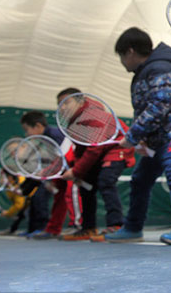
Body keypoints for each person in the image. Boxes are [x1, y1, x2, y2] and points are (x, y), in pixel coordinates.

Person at [105, 27, 171, 245]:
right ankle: (132, 228)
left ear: (130, 51)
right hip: (158, 139)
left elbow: (158, 107)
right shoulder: (145, 73)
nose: (122, 62)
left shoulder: (160, 67)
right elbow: (146, 110)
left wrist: (131, 136)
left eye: (121, 56)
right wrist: (142, 140)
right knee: (140, 179)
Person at [53, 88, 134, 242]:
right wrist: (79, 174)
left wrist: (76, 171)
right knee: (85, 185)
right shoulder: (73, 123)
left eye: (66, 102)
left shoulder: (94, 116)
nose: (62, 107)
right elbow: (81, 149)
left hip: (117, 148)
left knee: (106, 181)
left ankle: (116, 225)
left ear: (80, 101)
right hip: (100, 153)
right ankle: (88, 228)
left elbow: (94, 148)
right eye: (59, 104)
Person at [20, 111, 70, 240]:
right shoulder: (45, 138)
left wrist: (49, 174)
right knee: (58, 198)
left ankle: (80, 227)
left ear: (37, 126)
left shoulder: (54, 135)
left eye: (27, 129)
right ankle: (51, 229)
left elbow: (64, 158)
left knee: (71, 197)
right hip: (61, 173)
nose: (27, 134)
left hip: (71, 171)